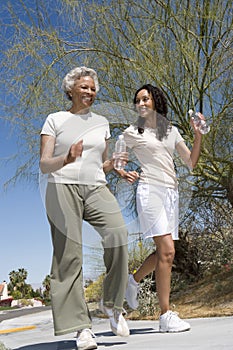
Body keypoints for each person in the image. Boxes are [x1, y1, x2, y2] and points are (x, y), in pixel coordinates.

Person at [39, 66, 129, 350]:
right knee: (69, 255)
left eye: (93, 88)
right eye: (84, 87)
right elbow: (44, 163)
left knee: (118, 235)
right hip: (62, 185)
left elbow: (100, 162)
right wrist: (65, 157)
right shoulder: (56, 119)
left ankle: (112, 305)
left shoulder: (102, 122)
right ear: (71, 89)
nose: (90, 92)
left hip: (95, 185)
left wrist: (113, 165)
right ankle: (81, 328)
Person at [121, 84, 203, 332]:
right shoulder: (133, 131)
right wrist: (121, 169)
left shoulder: (171, 131)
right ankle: (165, 315)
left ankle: (132, 280)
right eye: (137, 100)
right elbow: (117, 155)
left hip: (171, 192)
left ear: (155, 101)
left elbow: (191, 162)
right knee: (167, 250)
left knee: (163, 253)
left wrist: (198, 135)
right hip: (149, 191)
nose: (141, 103)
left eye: (145, 98)